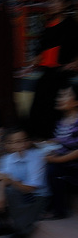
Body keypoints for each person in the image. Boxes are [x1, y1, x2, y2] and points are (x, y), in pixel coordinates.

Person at [0, 128, 49, 238]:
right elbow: (1, 180)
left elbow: (31, 188)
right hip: (19, 191)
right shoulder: (6, 158)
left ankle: (21, 229)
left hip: (36, 195)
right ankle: (5, 224)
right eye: (17, 141)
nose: (22, 144)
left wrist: (9, 180)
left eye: (24, 140)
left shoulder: (36, 157)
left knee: (11, 191)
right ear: (8, 145)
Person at [27, 0, 78, 141]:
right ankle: (38, 137)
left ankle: (55, 137)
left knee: (55, 104)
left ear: (65, 5)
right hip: (47, 70)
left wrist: (75, 62)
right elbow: (41, 47)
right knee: (39, 103)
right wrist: (35, 58)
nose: (52, 5)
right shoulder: (48, 25)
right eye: (51, 2)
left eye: (56, 2)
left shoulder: (71, 24)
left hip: (62, 71)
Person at [45, 83, 78, 219]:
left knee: (53, 170)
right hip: (64, 164)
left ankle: (59, 210)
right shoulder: (61, 122)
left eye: (65, 95)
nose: (60, 98)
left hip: (74, 167)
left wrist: (55, 159)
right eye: (60, 95)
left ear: (76, 102)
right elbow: (60, 141)